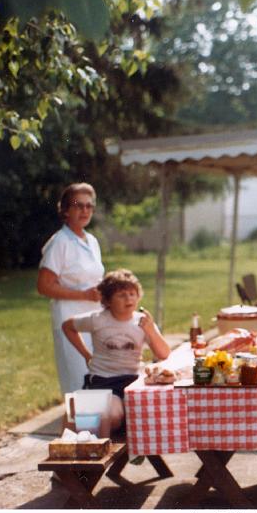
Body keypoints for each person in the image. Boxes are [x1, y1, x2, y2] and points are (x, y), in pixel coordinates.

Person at [62, 269, 170, 436]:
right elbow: (67, 326)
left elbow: (164, 353)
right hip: (103, 381)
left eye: (133, 294)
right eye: (121, 295)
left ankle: (122, 443)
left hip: (132, 381)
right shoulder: (97, 319)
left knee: (153, 417)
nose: (129, 299)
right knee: (113, 415)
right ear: (107, 300)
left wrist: (151, 331)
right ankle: (98, 443)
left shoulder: (142, 322)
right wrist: (86, 354)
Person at [37, 183, 105, 395]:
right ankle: (78, 427)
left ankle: (96, 428)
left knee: (97, 382)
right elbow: (44, 286)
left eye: (89, 206)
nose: (85, 211)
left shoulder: (91, 241)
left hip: (94, 321)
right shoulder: (60, 242)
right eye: (78, 205)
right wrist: (83, 294)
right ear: (66, 210)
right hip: (70, 324)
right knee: (79, 386)